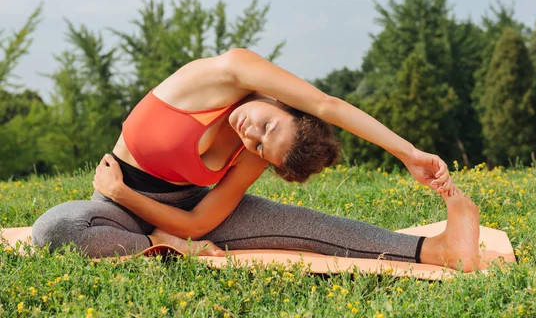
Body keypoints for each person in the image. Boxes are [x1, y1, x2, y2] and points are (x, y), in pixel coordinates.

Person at [32, 48, 482, 271]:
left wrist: (173, 226)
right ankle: (160, 248)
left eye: (263, 148)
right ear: (283, 104)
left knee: (304, 227)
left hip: (187, 213)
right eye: (268, 127)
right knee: (57, 229)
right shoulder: (229, 72)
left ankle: (438, 250)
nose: (252, 136)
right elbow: (327, 105)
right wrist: (408, 152)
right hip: (116, 211)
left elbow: (197, 222)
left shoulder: (257, 153)